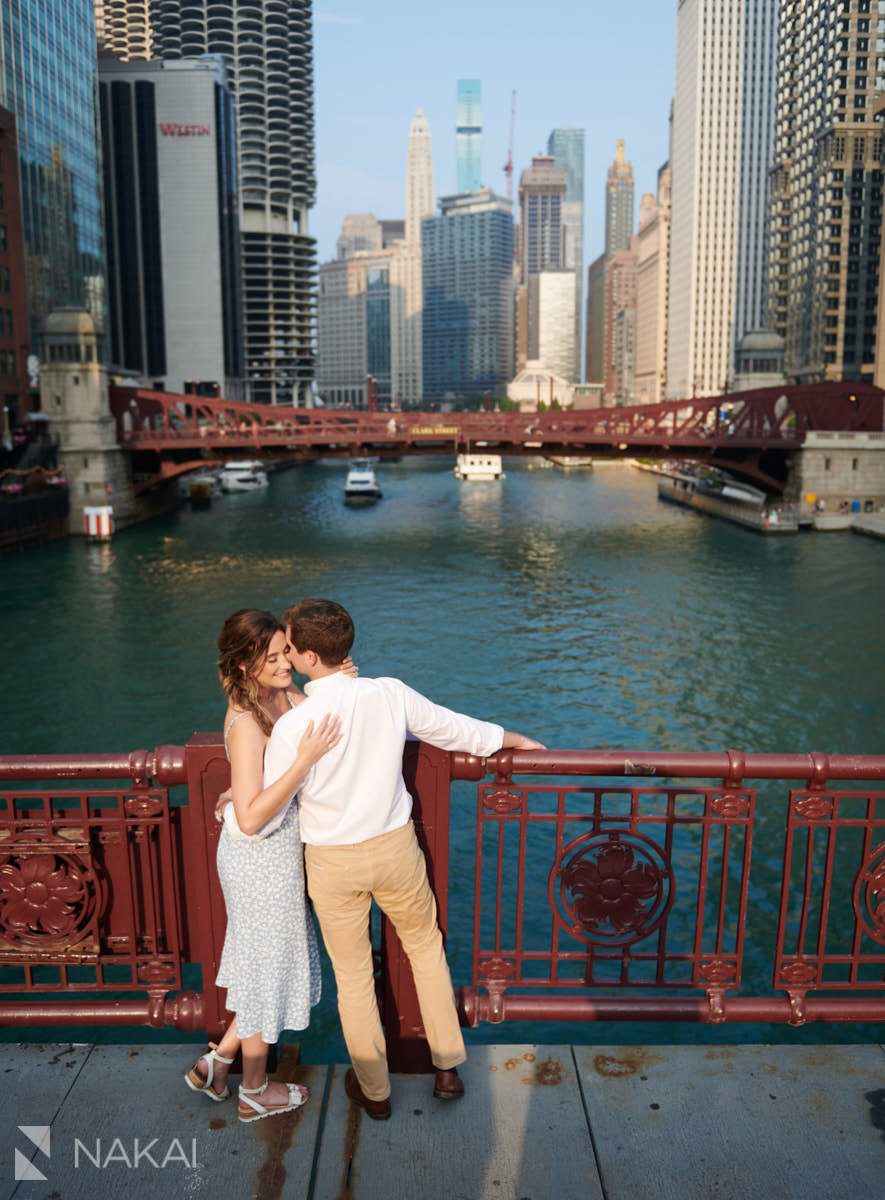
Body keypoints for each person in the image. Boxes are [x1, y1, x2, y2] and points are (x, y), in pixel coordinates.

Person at [264, 598, 544, 1120]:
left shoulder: (291, 728)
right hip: (394, 849)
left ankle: (375, 1091)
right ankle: (446, 1068)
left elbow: (273, 796)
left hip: (332, 860)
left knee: (351, 978)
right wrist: (513, 738)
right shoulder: (387, 694)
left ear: (305, 657)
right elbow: (453, 729)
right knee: (425, 949)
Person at [184, 608, 343, 1123]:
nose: (284, 664)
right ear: (246, 663)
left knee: (262, 967)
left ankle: (219, 1063)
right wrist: (301, 762)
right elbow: (250, 819)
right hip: (257, 860)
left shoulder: (284, 696)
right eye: (271, 658)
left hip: (279, 856)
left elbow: (256, 784)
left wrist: (343, 674)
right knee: (262, 970)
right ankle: (254, 1091)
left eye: (285, 652)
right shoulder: (246, 720)